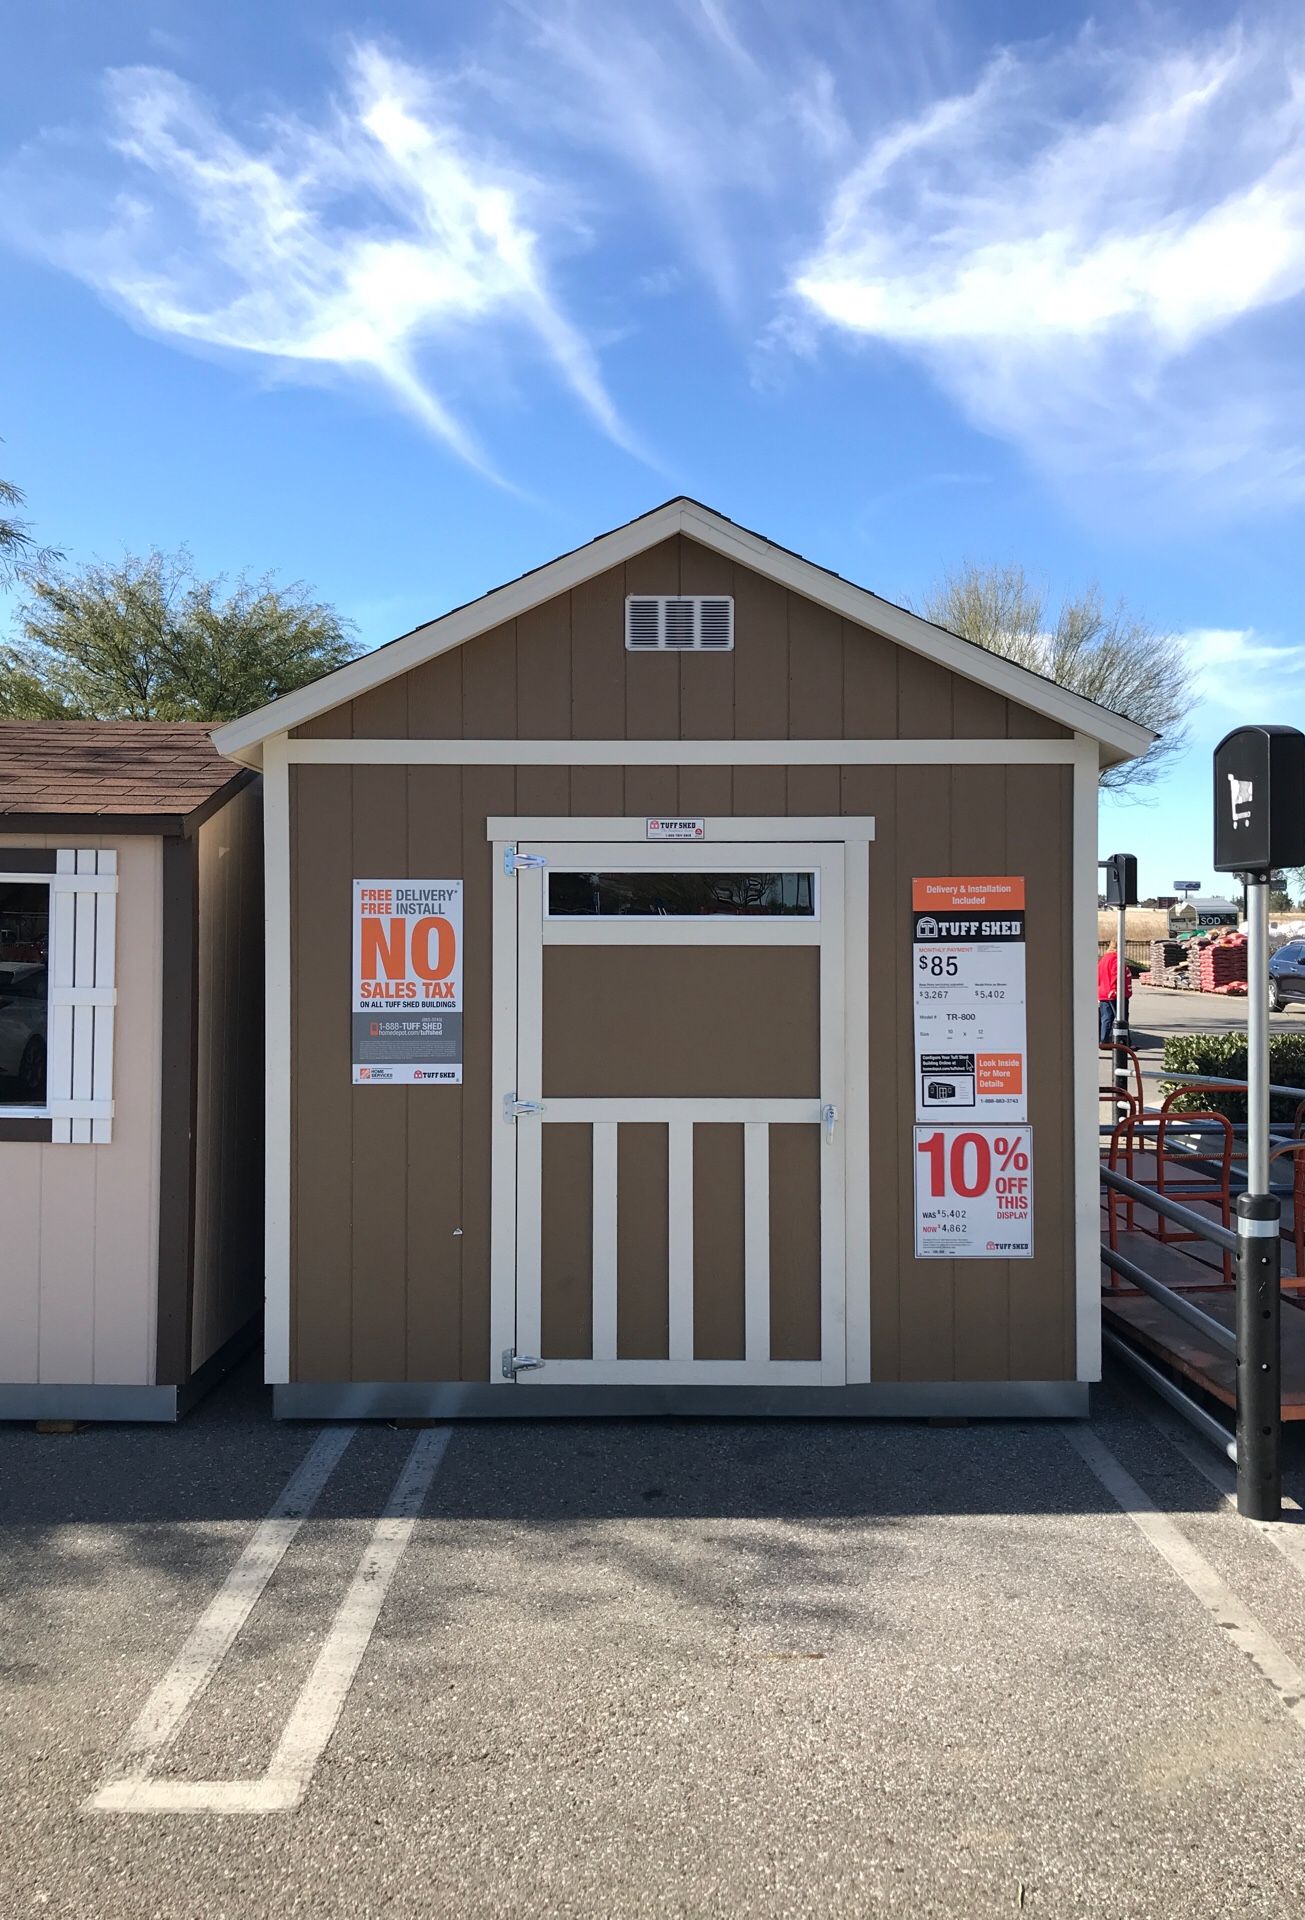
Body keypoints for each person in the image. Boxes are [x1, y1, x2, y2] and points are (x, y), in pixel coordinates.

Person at [1098, 944, 1131, 1045]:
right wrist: (1113, 988)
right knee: (1121, 1018)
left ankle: (1104, 1040)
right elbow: (1116, 974)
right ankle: (1124, 1042)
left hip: (1103, 992)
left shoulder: (1103, 959)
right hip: (1116, 994)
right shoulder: (1116, 959)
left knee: (1106, 1018)